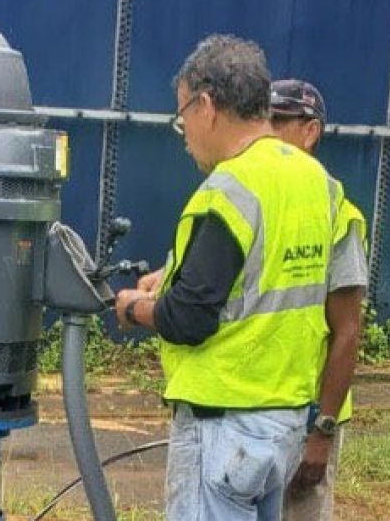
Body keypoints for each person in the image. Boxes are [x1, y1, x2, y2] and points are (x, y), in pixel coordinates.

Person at [114, 35, 348, 521]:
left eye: (182, 117)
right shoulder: (318, 184)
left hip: (222, 427)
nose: (183, 133)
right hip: (281, 426)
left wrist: (131, 307)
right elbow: (264, 276)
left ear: (207, 105)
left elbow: (188, 317)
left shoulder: (228, 189)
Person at [269, 79, 367, 521]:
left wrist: (322, 431)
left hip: (308, 415)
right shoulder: (260, 201)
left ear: (310, 132)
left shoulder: (336, 214)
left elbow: (347, 331)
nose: (265, 134)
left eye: (277, 122)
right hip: (258, 408)